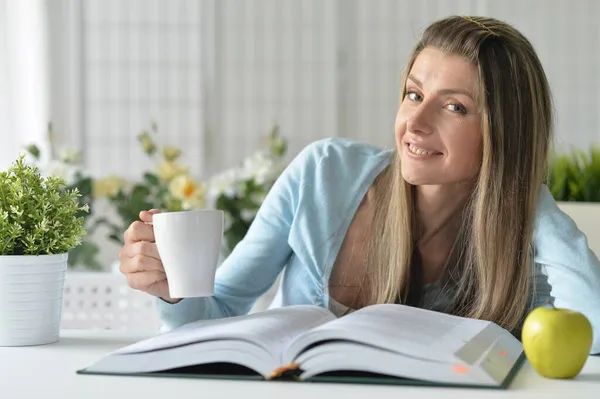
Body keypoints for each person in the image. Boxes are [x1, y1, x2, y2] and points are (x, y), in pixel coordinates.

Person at [119, 15, 600, 354]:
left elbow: (593, 337)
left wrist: (524, 194)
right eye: (413, 94)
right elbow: (218, 311)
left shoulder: (519, 242)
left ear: (504, 133)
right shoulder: (323, 175)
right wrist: (174, 292)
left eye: (454, 106)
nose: (415, 121)